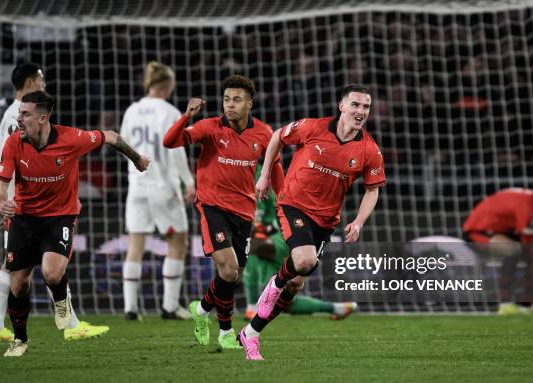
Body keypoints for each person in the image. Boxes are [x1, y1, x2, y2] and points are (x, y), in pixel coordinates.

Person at [0, 90, 150, 356]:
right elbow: (1, 185)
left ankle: (62, 305)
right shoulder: (13, 143)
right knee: (18, 284)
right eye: (20, 113)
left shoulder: (71, 138)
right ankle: (19, 339)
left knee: (52, 273)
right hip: (23, 219)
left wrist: (136, 158)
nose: (18, 118)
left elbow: (110, 136)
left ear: (42, 118)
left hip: (60, 216)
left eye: (25, 114)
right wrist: (1, 203)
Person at [240, 84, 386, 360]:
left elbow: (372, 189)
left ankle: (251, 333)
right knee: (304, 261)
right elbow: (276, 137)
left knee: (295, 286)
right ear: (342, 106)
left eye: (365, 107)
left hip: (325, 219)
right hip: (293, 204)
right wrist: (265, 175)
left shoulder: (369, 150)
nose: (360, 111)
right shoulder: (312, 127)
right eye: (355, 105)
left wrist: (358, 222)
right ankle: (274, 283)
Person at [0, 62, 110, 342]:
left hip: (22, 201)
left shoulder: (21, 114)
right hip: (22, 204)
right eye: (40, 80)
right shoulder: (17, 118)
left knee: (33, 270)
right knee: (17, 271)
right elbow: (17, 160)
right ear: (30, 83)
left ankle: (66, 323)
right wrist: (5, 201)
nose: (44, 85)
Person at [163, 75, 285, 349]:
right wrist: (186, 116)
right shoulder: (209, 127)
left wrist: (284, 200)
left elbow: (275, 167)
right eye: (226, 99)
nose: (230, 105)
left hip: (244, 210)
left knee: (233, 275)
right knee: (229, 269)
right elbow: (169, 142)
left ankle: (202, 309)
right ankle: (226, 331)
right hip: (212, 205)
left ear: (249, 104)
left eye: (237, 100)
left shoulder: (264, 133)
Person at [120, 62, 195, 321]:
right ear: (167, 86)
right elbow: (176, 152)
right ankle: (169, 306)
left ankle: (131, 309)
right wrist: (188, 181)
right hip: (163, 187)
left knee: (135, 245)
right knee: (178, 242)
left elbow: (123, 144)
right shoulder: (171, 112)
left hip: (137, 187)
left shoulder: (132, 110)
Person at [243, 165, 358, 320]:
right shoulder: (238, 178)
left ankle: (251, 307)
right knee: (283, 300)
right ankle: (338, 308)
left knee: (253, 247)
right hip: (269, 239)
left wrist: (266, 227)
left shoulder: (261, 175)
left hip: (282, 235)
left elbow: (274, 208)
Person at [462, 176, 533, 314]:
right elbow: (529, 247)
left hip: (499, 232)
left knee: (530, 253)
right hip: (476, 233)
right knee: (517, 250)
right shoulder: (526, 204)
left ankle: (527, 303)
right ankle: (506, 303)